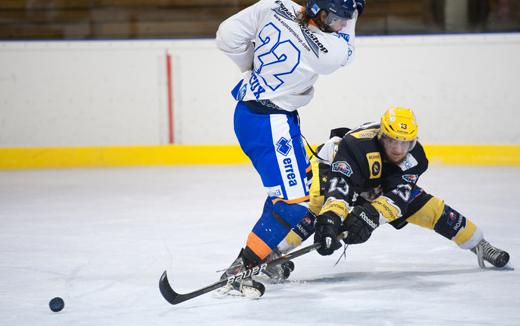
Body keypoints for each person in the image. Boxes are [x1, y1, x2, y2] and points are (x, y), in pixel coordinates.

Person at [215, 0, 365, 297]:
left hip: (257, 113)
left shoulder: (275, 4)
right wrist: (356, 14)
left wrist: (253, 69)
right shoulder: (328, 50)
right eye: (338, 18)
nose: (341, 24)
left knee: (299, 188)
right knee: (295, 203)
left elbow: (226, 35)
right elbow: (347, 50)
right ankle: (241, 268)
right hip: (269, 123)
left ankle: (266, 253)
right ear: (320, 12)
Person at [299, 106, 510, 270]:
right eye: (392, 141)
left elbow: (398, 198)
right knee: (320, 206)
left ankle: (479, 244)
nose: (399, 149)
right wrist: (332, 218)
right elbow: (341, 187)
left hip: (378, 180)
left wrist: (370, 217)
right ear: (382, 136)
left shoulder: (415, 157)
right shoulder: (356, 145)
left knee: (429, 208)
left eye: (406, 143)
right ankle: (273, 250)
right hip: (333, 164)